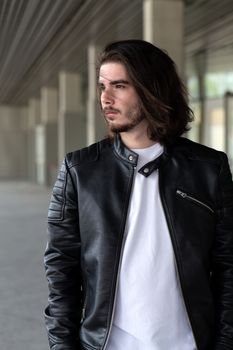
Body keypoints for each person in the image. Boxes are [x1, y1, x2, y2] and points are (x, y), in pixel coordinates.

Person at [44, 40, 233, 350]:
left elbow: (228, 265)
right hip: (107, 344)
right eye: (102, 86)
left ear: (152, 89)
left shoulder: (208, 168)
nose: (106, 97)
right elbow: (61, 270)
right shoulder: (80, 170)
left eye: (119, 86)